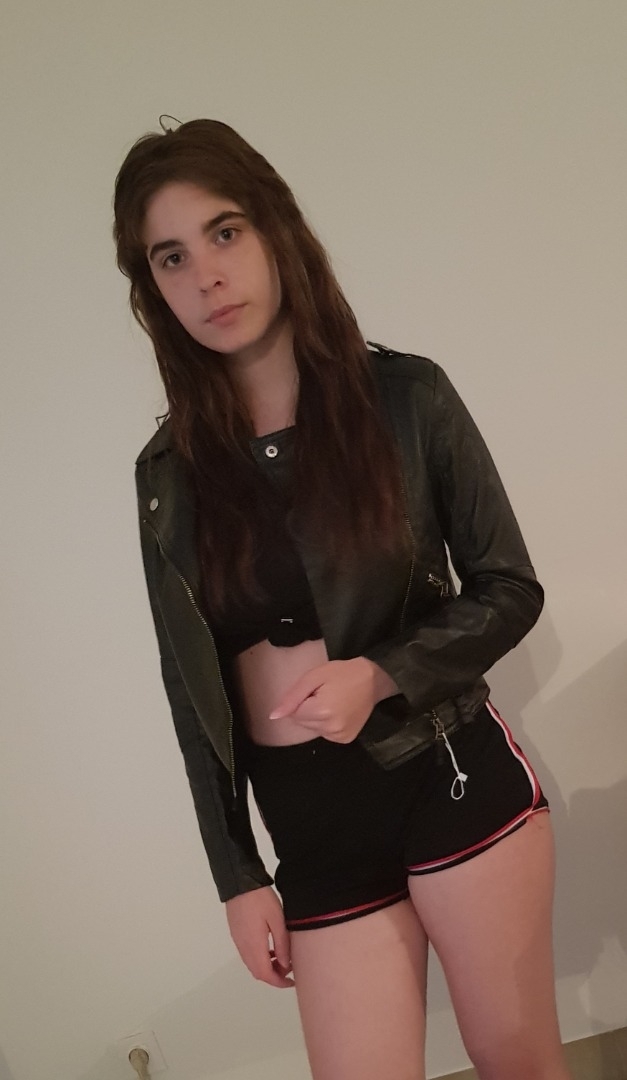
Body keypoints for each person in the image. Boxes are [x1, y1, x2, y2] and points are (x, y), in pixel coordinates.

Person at [113, 118, 571, 1080]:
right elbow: (189, 692)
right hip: (310, 821)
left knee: (514, 1058)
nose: (206, 275)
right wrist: (237, 875)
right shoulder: (168, 477)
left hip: (443, 767)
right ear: (151, 287)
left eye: (225, 232)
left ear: (276, 229)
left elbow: (507, 587)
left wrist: (381, 674)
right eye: (171, 256)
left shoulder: (405, 399)